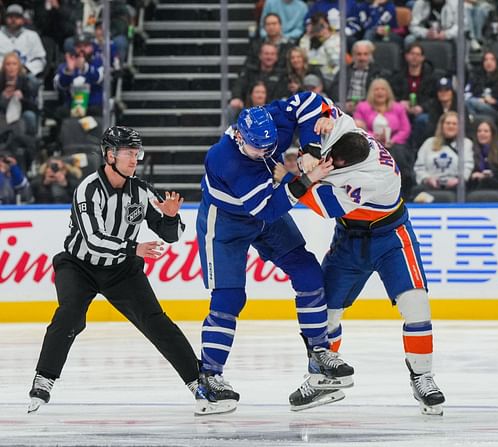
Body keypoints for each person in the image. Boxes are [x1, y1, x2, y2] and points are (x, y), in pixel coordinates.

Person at [27, 126, 225, 416]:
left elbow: (172, 234)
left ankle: (199, 384)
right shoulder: (88, 189)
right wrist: (134, 248)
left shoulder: (142, 191)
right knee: (69, 315)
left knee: (156, 322)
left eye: (136, 153)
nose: (134, 159)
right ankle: (44, 379)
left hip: (120, 270)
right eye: (128, 153)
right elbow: (93, 239)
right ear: (110, 155)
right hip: (79, 266)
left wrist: (170, 218)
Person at [276, 108, 446, 416]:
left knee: (416, 304)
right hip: (349, 237)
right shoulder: (344, 127)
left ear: (351, 163)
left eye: (335, 165)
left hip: (391, 237)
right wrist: (321, 126)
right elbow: (322, 109)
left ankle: (423, 376)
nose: (329, 166)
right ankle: (322, 377)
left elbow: (323, 205)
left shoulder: (373, 177)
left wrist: (290, 177)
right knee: (325, 312)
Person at [197, 92, 355, 413]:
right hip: (227, 224)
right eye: (258, 148)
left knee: (309, 272)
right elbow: (268, 209)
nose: (265, 153)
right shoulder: (224, 159)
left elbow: (312, 101)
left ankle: (319, 351)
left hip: (265, 209)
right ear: (239, 136)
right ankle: (210, 375)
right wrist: (308, 177)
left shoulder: (270, 119)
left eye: (270, 146)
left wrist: (310, 147)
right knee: (228, 299)